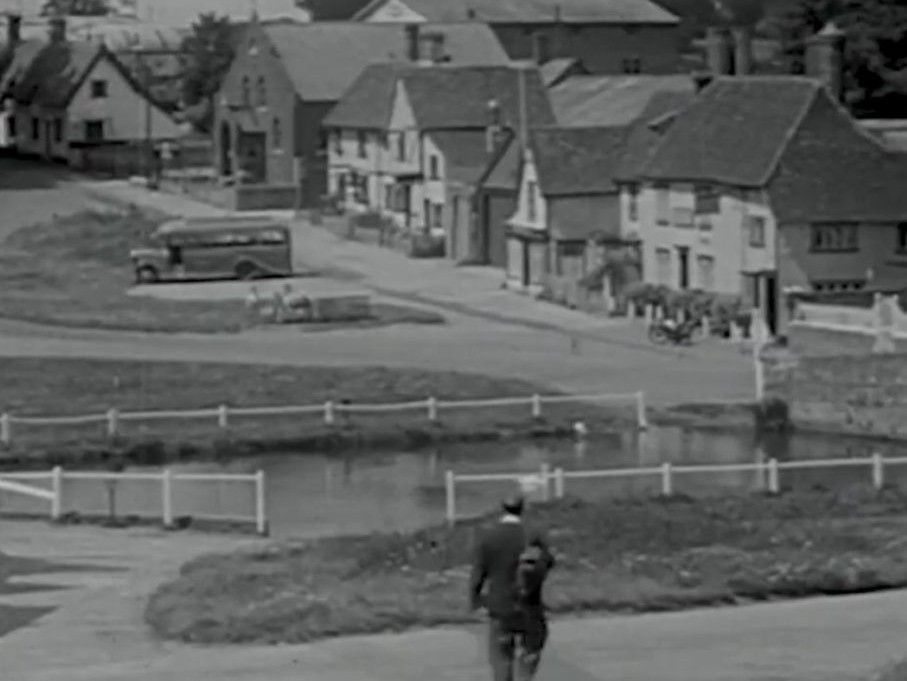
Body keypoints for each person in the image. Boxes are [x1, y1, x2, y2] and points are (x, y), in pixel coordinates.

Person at [469, 493, 555, 681]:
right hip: (529, 607)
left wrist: (475, 601)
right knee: (531, 650)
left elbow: (478, 574)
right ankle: (525, 675)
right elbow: (548, 562)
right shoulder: (532, 536)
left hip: (500, 607)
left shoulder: (488, 536)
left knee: (501, 658)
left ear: (502, 508)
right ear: (522, 509)